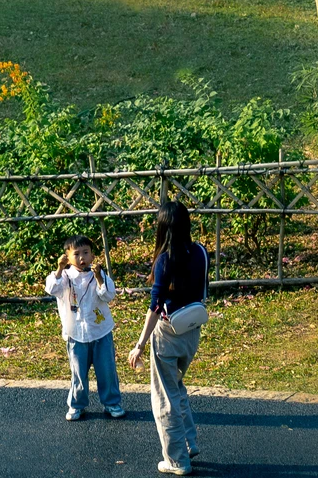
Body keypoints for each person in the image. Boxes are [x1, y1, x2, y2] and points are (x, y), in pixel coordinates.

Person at [127, 201, 209, 476]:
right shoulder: (200, 251)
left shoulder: (164, 260)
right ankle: (189, 442)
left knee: (164, 398)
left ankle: (176, 460)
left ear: (162, 228)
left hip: (168, 333)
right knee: (176, 388)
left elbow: (155, 307)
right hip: (192, 331)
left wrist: (139, 345)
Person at [45, 235, 125, 421]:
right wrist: (59, 268)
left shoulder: (98, 274)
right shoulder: (65, 276)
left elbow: (108, 295)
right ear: (67, 257)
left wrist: (99, 278)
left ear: (92, 256)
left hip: (100, 331)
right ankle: (76, 404)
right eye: (76, 254)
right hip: (76, 333)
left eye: (86, 253)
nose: (82, 258)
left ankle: (111, 402)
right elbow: (52, 288)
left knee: (107, 370)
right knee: (78, 372)